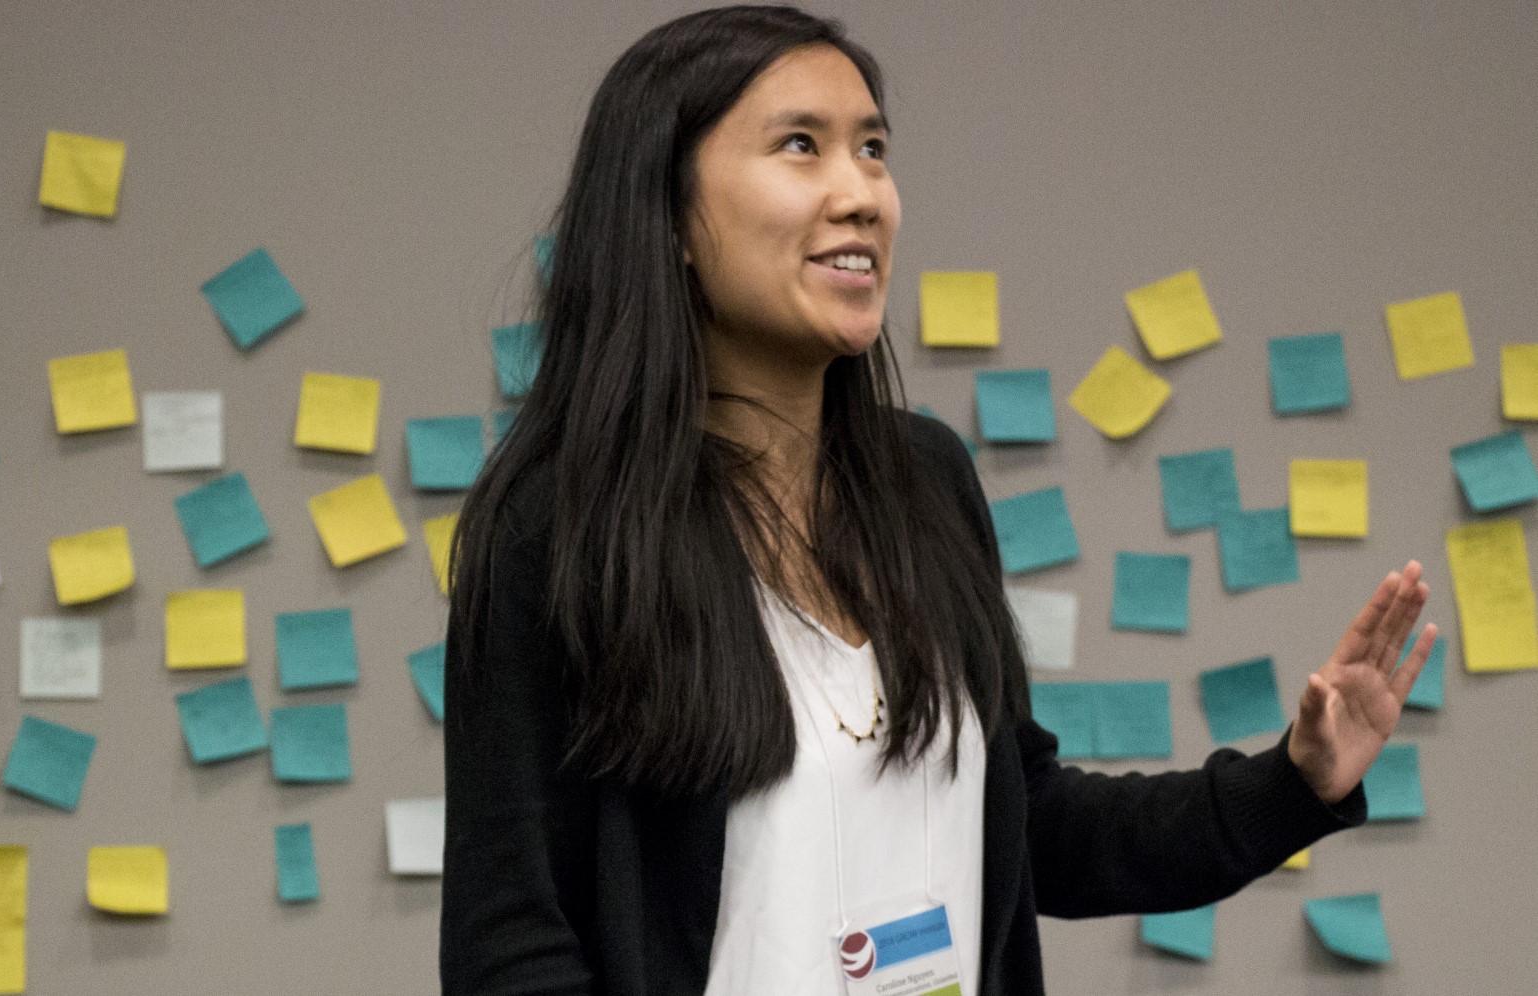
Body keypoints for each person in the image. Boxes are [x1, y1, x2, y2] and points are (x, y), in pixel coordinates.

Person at [439, 6, 1434, 995]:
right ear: (668, 220)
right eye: (801, 146)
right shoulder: (557, 530)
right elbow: (510, 948)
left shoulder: (925, 481)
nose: (861, 194)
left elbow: (1028, 827)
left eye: (872, 150)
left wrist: (1294, 779)